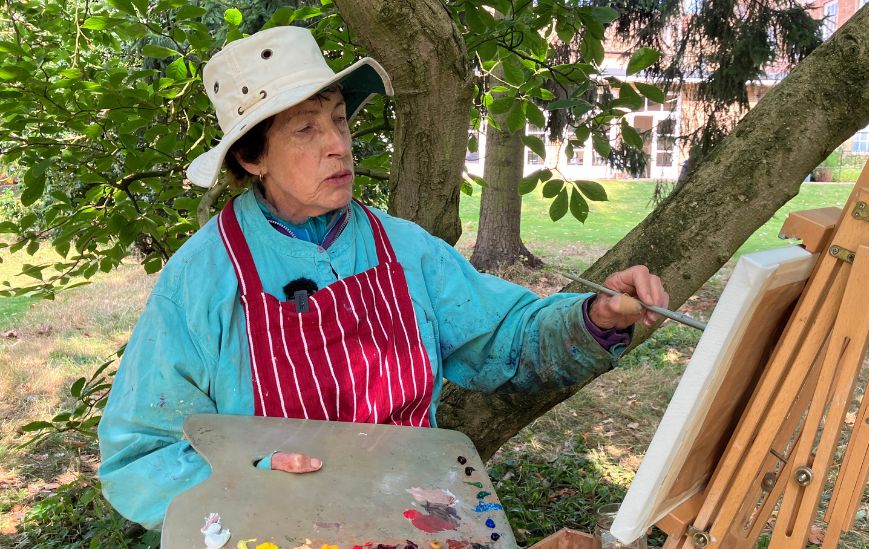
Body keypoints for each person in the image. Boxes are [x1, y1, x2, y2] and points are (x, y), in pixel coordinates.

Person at [97, 25, 669, 530]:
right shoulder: (203, 278)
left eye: (339, 121)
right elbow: (139, 456)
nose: (338, 145)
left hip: (411, 516)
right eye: (305, 130)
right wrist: (252, 477)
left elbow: (507, 337)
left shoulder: (403, 248)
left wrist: (595, 317)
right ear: (252, 158)